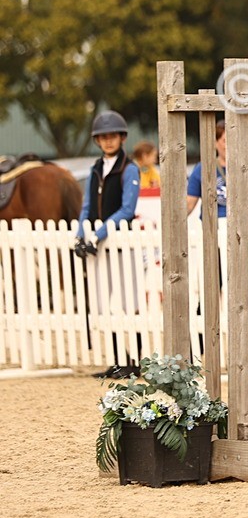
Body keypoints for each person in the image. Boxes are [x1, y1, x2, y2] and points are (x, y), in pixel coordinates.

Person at [75, 111, 142, 376]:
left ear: (122, 138)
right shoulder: (94, 169)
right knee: (104, 304)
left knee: (127, 302)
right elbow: (87, 206)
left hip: (122, 243)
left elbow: (127, 209)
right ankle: (116, 360)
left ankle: (134, 361)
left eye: (112, 136)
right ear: (98, 141)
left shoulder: (130, 168)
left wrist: (96, 234)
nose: (108, 141)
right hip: (99, 246)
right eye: (103, 137)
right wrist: (81, 235)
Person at [186, 120, 227, 218]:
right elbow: (189, 205)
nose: (230, 145)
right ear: (215, 143)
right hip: (213, 227)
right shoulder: (202, 169)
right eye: (225, 141)